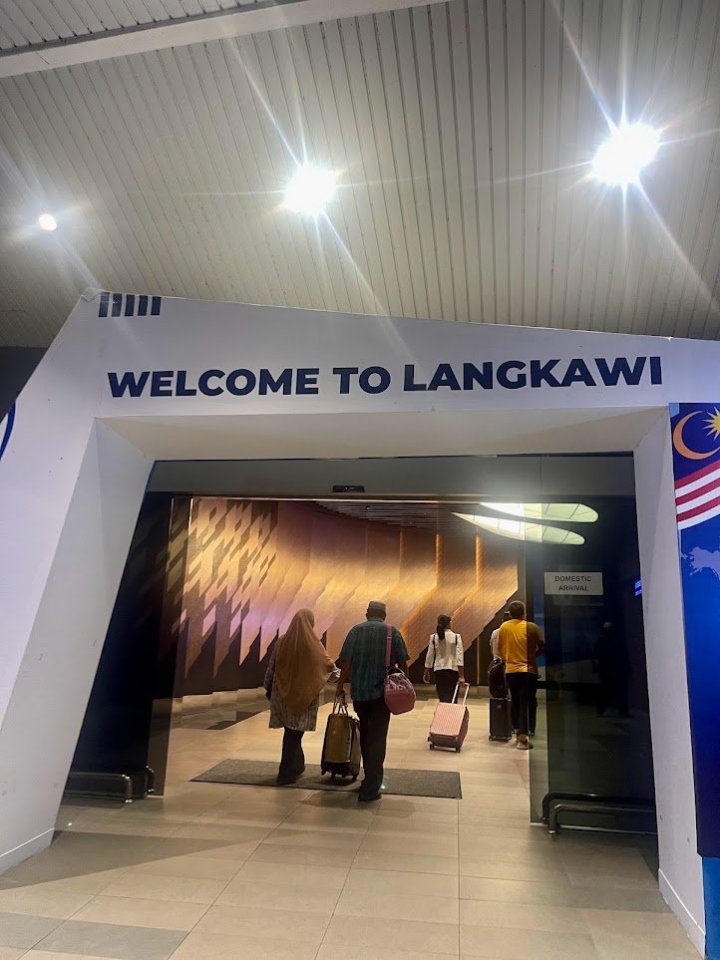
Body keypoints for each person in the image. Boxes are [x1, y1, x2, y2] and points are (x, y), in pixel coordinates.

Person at [337, 600, 409, 802]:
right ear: (384, 615)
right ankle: (371, 786)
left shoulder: (355, 631)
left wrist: (340, 686)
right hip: (382, 696)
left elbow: (345, 662)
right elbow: (403, 662)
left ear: (367, 613)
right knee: (377, 739)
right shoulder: (392, 632)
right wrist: (405, 684)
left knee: (366, 736)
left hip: (360, 694)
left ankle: (369, 779)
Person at [264, 608, 339, 785]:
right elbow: (327, 667)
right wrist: (341, 678)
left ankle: (296, 767)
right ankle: (286, 773)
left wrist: (267, 686)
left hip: (282, 695)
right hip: (304, 697)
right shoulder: (313, 644)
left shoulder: (282, 641)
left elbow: (272, 666)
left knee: (291, 733)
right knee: (294, 734)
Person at [498, 600, 544, 750]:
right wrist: (533, 656)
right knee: (527, 702)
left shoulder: (504, 627)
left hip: (511, 671)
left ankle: (517, 730)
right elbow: (542, 645)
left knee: (515, 701)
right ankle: (524, 736)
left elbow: (500, 649)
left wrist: (509, 659)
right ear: (524, 613)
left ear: (510, 613)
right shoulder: (532, 627)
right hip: (528, 670)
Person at [423, 614, 464, 702]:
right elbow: (459, 656)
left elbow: (430, 655)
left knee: (442, 698)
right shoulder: (456, 637)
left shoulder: (434, 637)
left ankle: (443, 710)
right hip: (452, 670)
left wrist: (426, 671)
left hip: (439, 670)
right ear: (449, 623)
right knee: (453, 698)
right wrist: (461, 675)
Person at [594, 620, 631, 718]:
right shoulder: (618, 641)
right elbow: (624, 655)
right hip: (616, 670)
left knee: (606, 691)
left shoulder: (601, 642)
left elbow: (597, 657)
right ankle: (622, 711)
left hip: (608, 671)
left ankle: (602, 710)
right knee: (619, 691)